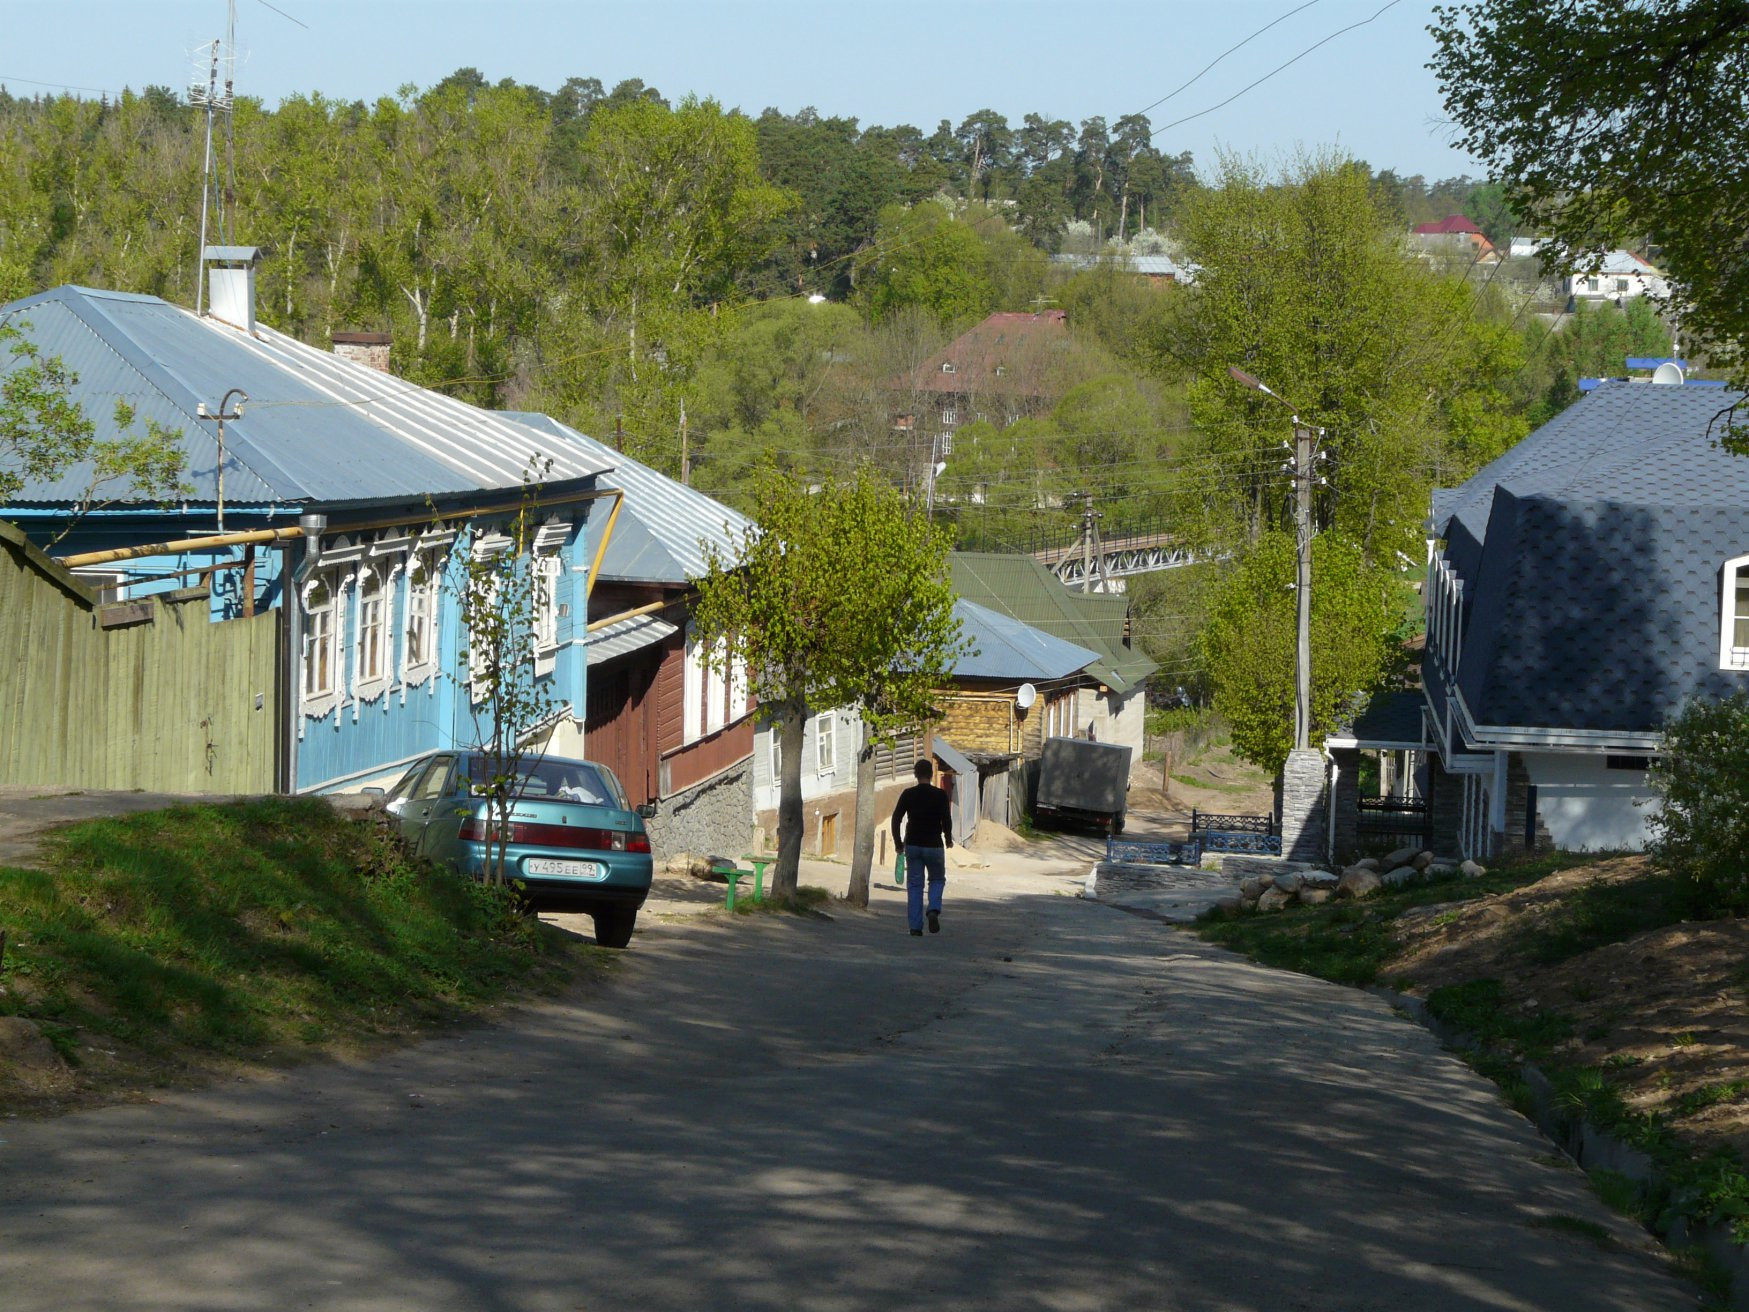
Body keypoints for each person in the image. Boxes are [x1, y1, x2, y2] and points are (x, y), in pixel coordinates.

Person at [891, 758, 953, 936]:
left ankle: (915, 927)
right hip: (934, 845)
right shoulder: (940, 794)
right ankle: (933, 909)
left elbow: (896, 819)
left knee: (915, 885)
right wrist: (948, 839)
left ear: (915, 775)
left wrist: (898, 843)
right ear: (931, 774)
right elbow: (946, 820)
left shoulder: (908, 794)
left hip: (913, 845)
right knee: (937, 879)